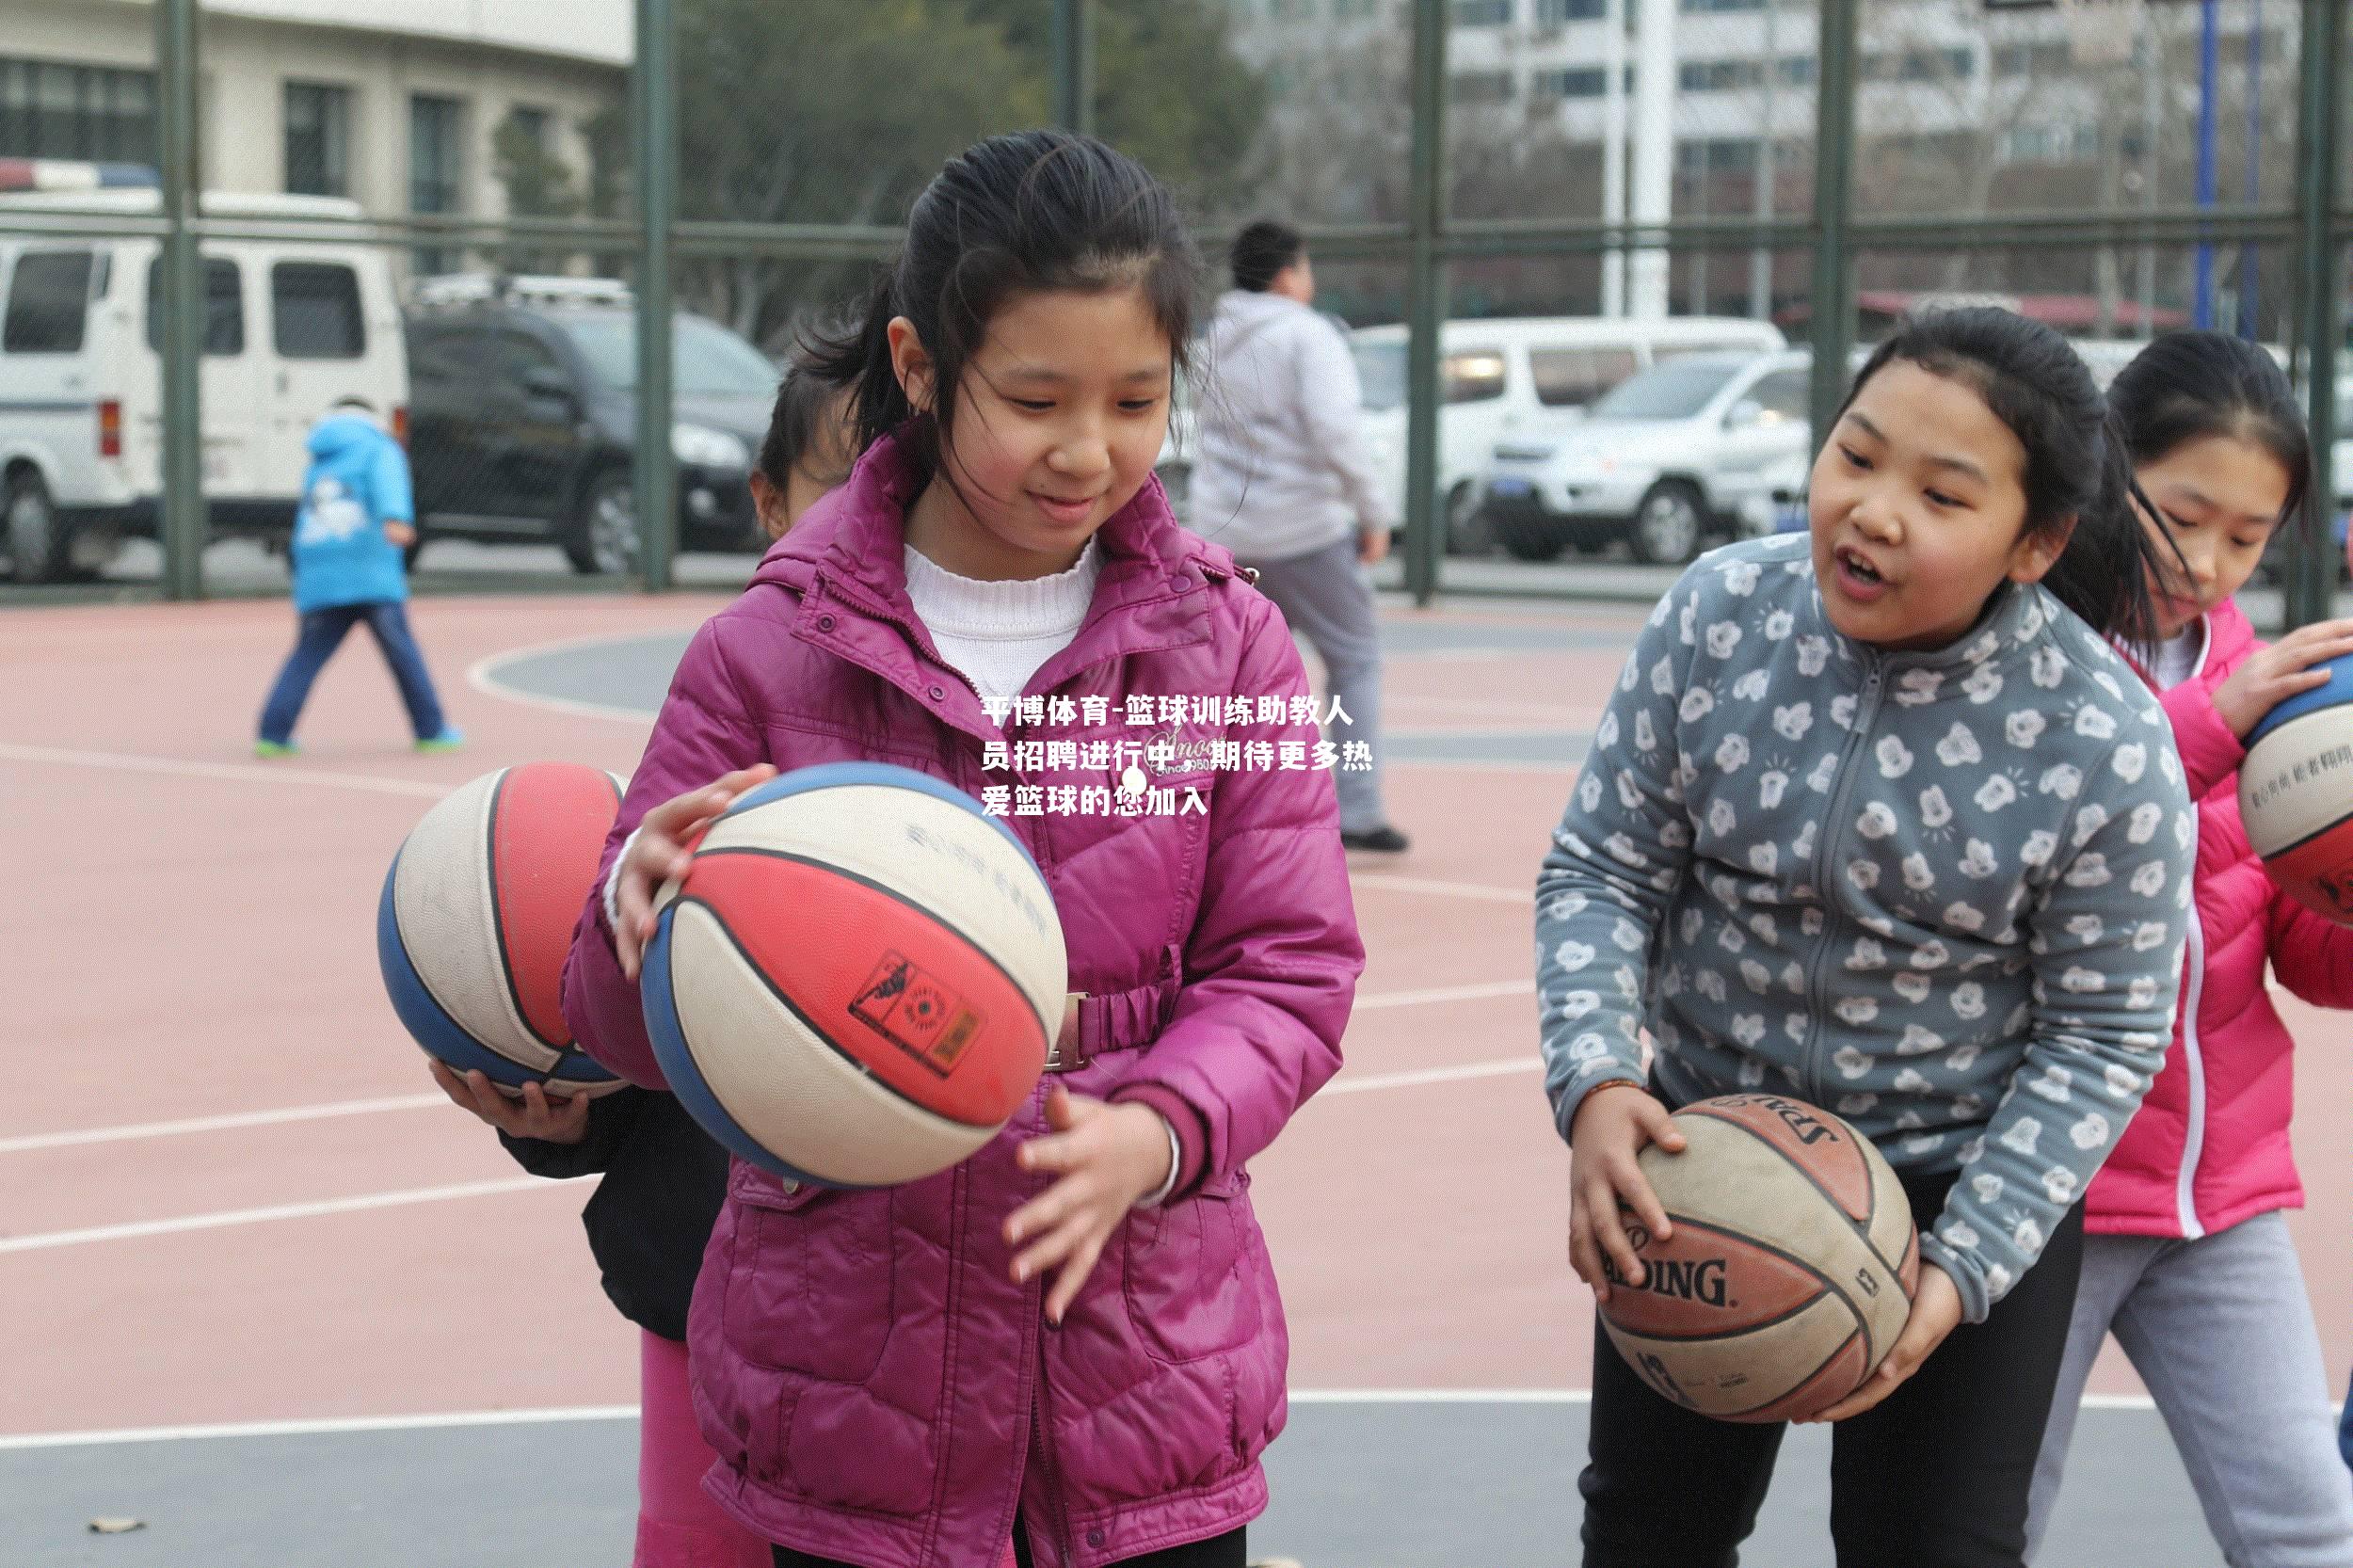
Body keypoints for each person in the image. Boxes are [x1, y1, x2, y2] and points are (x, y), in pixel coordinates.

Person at [561, 131, 1362, 1568]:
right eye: (1037, 397)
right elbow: (618, 1025)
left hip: (1143, 1394)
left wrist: (1159, 1128)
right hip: (851, 1419)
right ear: (921, 369)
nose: (1090, 449)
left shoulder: (1232, 643)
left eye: (1136, 399)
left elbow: (1291, 972)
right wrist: (637, 910)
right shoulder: (765, 649)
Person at [1537, 307, 2199, 1567]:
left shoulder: (2105, 740)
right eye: (1856, 452)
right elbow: (1600, 867)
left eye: (1943, 493)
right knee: (1648, 1533)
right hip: (1704, 1159)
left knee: (1934, 1548)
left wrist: (1960, 1269)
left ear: (2037, 541)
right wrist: (1599, 1083)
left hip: (1964, 1186)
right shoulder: (1719, 613)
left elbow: (2103, 1037)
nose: (1873, 510)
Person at [430, 361, 857, 1568]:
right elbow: (651, 1028)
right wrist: (563, 1119)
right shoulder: (721, 711)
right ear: (771, 501)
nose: (876, 516)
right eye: (846, 484)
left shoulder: (969, 761)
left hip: (893, 1324)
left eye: (907, 484)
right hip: (701, 1294)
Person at [2025, 331, 2353, 1565]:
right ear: (2107, 471)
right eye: (2183, 516)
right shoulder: (2022, 645)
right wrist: (2212, 727)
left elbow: (2295, 945)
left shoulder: (2280, 692)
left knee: (2310, 1525)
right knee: (1977, 1530)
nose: (2208, 562)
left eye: (2249, 535)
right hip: (2039, 1195)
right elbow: (2040, 828)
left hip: (2220, 1194)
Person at [1190, 217, 1408, 854]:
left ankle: (1212, 808)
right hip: (1305, 530)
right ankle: (1359, 810)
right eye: (1305, 268)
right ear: (1288, 273)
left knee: (1229, 676)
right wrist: (1374, 513)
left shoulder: (1216, 336)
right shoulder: (1308, 337)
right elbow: (1336, 431)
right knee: (1355, 657)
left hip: (1225, 531)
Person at [254, 396, 461, 757]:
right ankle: (431, 728)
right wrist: (396, 518)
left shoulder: (320, 458)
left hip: (320, 571)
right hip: (369, 567)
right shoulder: (380, 447)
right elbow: (389, 484)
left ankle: (273, 733)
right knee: (403, 653)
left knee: (307, 654)